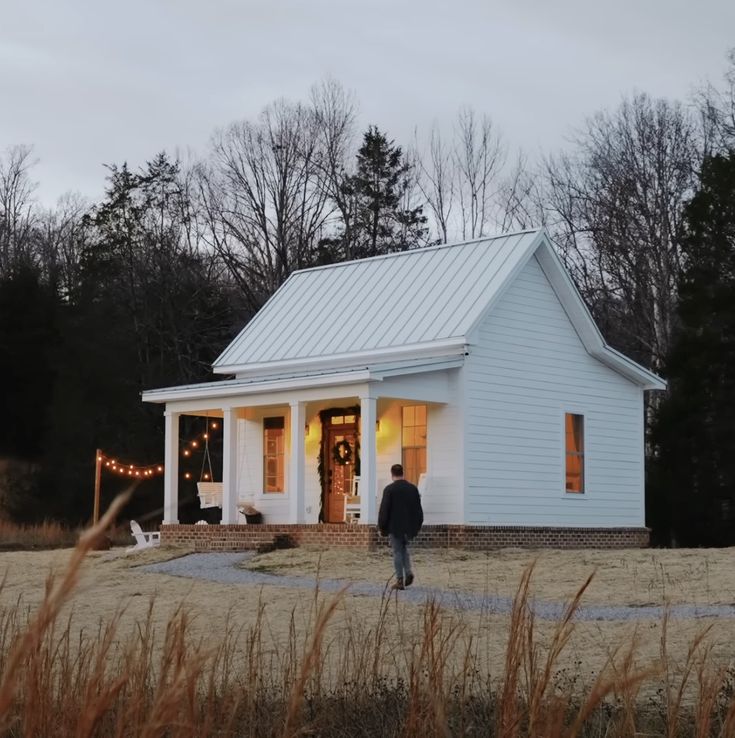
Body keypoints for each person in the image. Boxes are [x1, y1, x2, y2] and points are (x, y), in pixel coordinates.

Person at [378, 463, 424, 590]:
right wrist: (418, 524)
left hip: (395, 526)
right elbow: (418, 509)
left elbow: (384, 510)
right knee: (404, 549)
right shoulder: (413, 489)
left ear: (392, 474)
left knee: (397, 552)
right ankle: (408, 572)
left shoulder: (389, 490)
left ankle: (400, 580)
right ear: (403, 473)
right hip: (409, 526)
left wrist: (382, 526)